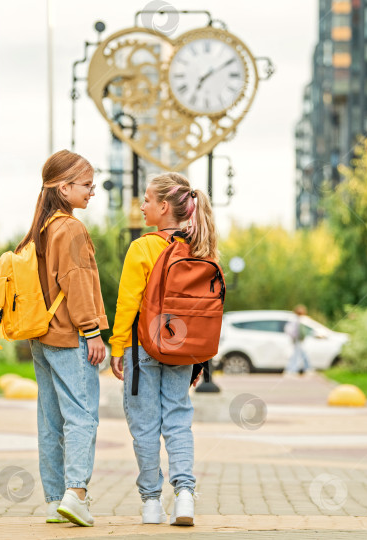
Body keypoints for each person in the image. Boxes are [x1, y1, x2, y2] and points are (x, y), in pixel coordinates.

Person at [109, 172, 216, 526]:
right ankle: (185, 494)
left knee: (144, 424)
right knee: (178, 419)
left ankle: (152, 502)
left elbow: (128, 303)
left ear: (164, 207)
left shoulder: (143, 247)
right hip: (183, 348)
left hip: (144, 347)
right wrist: (199, 359)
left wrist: (118, 346)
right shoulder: (201, 248)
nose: (141, 207)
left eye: (146, 201)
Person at [19, 150, 107, 527]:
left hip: (41, 335)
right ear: (64, 186)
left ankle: (55, 499)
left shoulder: (40, 227)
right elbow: (77, 281)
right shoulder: (70, 228)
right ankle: (76, 494)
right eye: (86, 185)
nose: (92, 192)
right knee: (82, 416)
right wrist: (92, 330)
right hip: (70, 335)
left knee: (50, 420)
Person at [284, 305, 312, 376]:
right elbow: (293, 331)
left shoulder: (298, 319)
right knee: (297, 355)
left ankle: (305, 368)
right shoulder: (295, 320)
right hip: (297, 339)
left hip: (298, 339)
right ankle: (292, 370)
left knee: (300, 354)